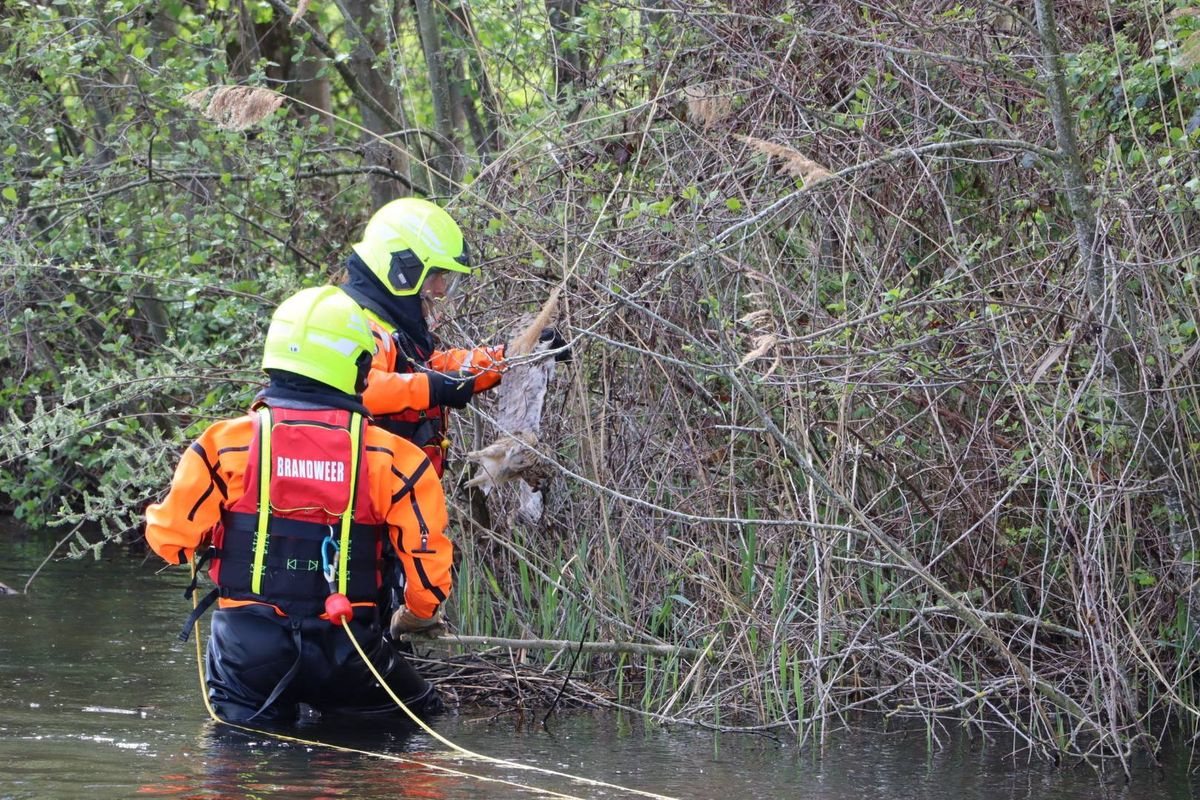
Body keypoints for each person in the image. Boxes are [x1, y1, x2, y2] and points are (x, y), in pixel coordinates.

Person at [145, 286, 451, 724]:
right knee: (422, 716)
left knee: (238, 755)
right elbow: (427, 574)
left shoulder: (223, 444)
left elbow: (169, 541)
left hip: (248, 656)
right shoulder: (397, 459)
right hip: (349, 652)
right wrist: (417, 615)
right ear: (359, 368)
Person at [339, 196, 569, 479]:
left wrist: (512, 355)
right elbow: (361, 389)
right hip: (371, 509)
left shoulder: (391, 328)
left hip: (401, 499)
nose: (441, 287)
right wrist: (433, 388)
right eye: (435, 274)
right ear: (402, 271)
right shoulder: (354, 323)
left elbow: (432, 368)